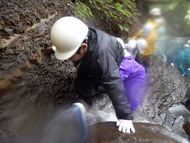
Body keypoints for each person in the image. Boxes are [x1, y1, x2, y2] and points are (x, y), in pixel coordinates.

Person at [50, 16, 147, 133]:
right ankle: (85, 105)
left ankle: (129, 116)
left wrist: (125, 116)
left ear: (83, 47)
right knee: (83, 80)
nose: (68, 59)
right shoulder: (79, 35)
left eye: (69, 56)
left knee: (128, 100)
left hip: (128, 69)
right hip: (106, 58)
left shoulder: (102, 55)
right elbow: (68, 41)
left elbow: (113, 81)